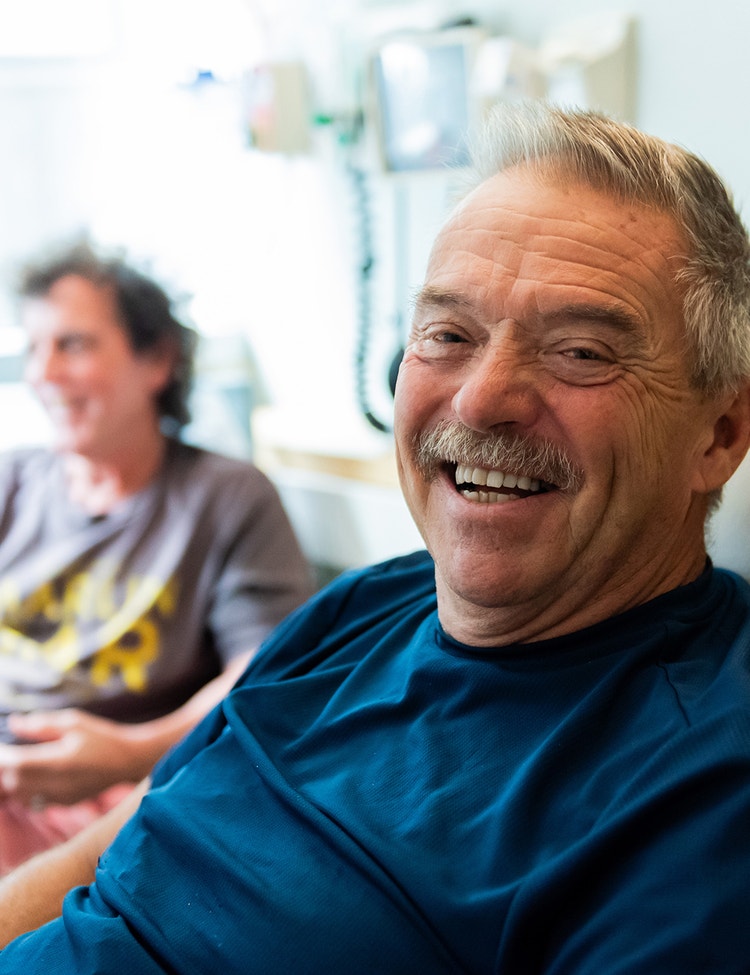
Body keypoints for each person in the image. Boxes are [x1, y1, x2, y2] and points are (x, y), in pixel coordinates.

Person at [1, 101, 750, 972]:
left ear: (721, 432)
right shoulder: (368, 603)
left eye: (581, 351)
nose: (479, 398)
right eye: (448, 334)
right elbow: (121, 843)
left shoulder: (700, 789)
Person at [0, 243, 312, 874]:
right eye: (36, 349)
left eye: (75, 346)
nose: (44, 374)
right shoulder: (11, 482)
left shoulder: (226, 498)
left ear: (158, 360)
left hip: (117, 794)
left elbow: (267, 676)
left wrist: (132, 751)